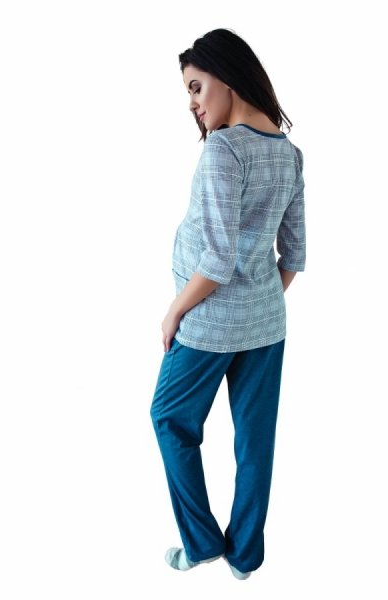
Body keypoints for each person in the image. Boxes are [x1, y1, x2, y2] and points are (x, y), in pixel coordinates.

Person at [150, 28, 306, 580]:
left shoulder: (224, 149)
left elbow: (215, 262)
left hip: (207, 323)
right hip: (267, 324)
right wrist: (256, 307)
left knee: (169, 417)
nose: (192, 103)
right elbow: (294, 254)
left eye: (196, 87)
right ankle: (245, 558)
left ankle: (201, 543)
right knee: (255, 441)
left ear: (228, 76)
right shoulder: (289, 154)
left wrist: (174, 311)